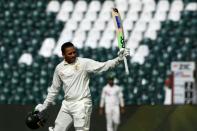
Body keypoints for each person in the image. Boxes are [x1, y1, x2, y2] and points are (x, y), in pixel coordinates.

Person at [35, 42, 130, 131]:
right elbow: (54, 90)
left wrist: (118, 59)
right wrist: (44, 105)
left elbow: (103, 66)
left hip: (82, 104)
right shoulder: (59, 68)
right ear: (63, 55)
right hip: (67, 104)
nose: (73, 55)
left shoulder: (84, 63)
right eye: (70, 53)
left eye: (74, 52)